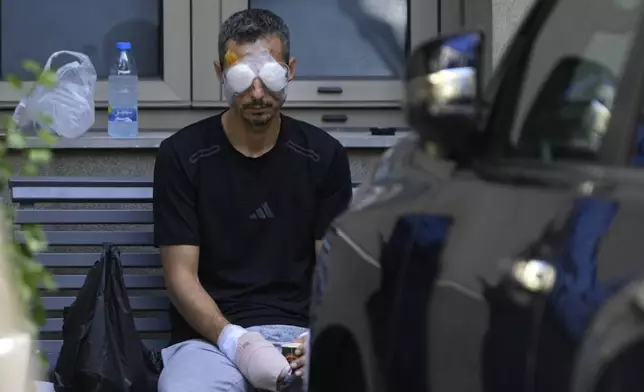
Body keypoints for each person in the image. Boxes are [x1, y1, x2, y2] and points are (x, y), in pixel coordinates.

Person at [153, 8, 353, 392]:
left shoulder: (323, 156)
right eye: (242, 78)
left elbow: (335, 270)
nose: (258, 93)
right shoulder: (182, 155)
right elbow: (180, 276)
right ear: (220, 75)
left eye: (271, 76)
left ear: (290, 70)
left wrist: (322, 335)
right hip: (210, 340)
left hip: (299, 337)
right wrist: (235, 341)